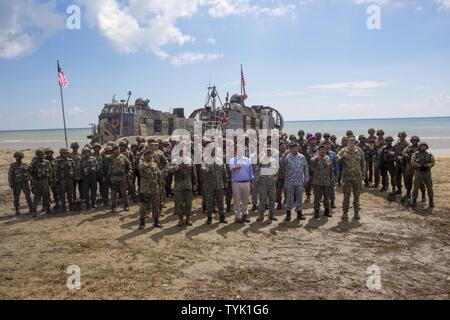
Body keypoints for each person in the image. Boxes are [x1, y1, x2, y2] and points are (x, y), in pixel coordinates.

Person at [337, 137, 365, 221]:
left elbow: (363, 163)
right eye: (350, 142)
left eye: (353, 142)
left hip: (357, 177)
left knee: (357, 196)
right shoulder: (343, 151)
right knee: (346, 196)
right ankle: (345, 212)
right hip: (346, 178)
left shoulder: (359, 151)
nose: (351, 144)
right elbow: (337, 160)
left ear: (355, 143)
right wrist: (341, 157)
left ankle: (356, 212)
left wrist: (363, 175)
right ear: (347, 143)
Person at [170, 147, 198, 227]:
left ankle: (188, 219)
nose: (182, 152)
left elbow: (194, 173)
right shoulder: (174, 161)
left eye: (184, 151)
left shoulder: (190, 160)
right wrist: (175, 168)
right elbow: (170, 170)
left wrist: (195, 184)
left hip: (188, 186)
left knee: (189, 204)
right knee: (179, 204)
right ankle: (180, 219)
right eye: (181, 151)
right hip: (178, 187)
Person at [282, 142, 309, 221]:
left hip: (299, 181)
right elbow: (282, 165)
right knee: (289, 198)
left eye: (296, 148)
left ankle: (299, 214)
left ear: (298, 148)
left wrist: (306, 179)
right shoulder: (287, 157)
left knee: (299, 198)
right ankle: (288, 214)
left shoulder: (302, 157)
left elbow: (305, 168)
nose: (295, 149)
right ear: (290, 149)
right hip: (290, 181)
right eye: (293, 148)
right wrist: (284, 155)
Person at [202, 148, 229, 225]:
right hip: (209, 186)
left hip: (220, 185)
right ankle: (209, 218)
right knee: (209, 202)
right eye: (211, 151)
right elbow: (202, 169)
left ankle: (222, 217)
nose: (213, 152)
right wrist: (205, 170)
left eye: (214, 151)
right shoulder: (205, 161)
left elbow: (224, 171)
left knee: (220, 202)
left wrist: (226, 180)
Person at [138, 150, 162, 230]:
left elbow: (158, 175)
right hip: (145, 190)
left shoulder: (155, 165)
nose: (151, 157)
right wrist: (149, 163)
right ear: (145, 156)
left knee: (155, 206)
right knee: (143, 207)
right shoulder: (142, 164)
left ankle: (156, 221)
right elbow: (142, 169)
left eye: (151, 156)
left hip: (154, 189)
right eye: (148, 156)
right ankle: (142, 223)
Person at [229, 145, 254, 224]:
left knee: (245, 200)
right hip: (236, 183)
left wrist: (251, 180)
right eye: (238, 150)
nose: (240, 151)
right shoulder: (233, 160)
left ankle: (244, 214)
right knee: (237, 200)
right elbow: (230, 168)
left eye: (241, 150)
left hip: (246, 182)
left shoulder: (247, 160)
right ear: (236, 151)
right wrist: (235, 167)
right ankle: (238, 216)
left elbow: (250, 171)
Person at [311, 144, 333, 218]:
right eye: (321, 150)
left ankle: (327, 211)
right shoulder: (315, 157)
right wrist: (315, 160)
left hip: (326, 181)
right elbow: (311, 165)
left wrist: (332, 179)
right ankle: (316, 211)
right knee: (317, 197)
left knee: (327, 197)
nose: (322, 151)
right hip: (317, 182)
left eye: (324, 150)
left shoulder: (328, 158)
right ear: (318, 151)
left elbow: (331, 169)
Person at [256, 147, 279, 222]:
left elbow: (277, 169)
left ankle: (271, 215)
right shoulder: (262, 160)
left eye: (270, 151)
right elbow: (257, 169)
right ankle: (260, 216)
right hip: (263, 183)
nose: (268, 152)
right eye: (267, 151)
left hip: (272, 184)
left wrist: (276, 176)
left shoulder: (275, 161)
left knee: (272, 200)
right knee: (262, 200)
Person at [402, 136, 426, 203]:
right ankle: (408, 193)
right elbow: (403, 153)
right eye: (413, 140)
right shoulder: (409, 147)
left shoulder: (420, 147)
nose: (414, 141)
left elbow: (424, 154)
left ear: (418, 141)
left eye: (415, 140)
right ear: (411, 141)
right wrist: (407, 155)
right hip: (409, 165)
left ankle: (423, 195)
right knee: (408, 179)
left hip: (417, 165)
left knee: (420, 180)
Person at [411, 142, 435, 209]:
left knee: (429, 187)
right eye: (422, 146)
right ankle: (414, 200)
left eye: (425, 146)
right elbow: (412, 162)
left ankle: (431, 201)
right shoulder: (416, 154)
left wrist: (428, 165)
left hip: (427, 173)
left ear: (427, 147)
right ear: (419, 147)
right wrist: (419, 166)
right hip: (418, 173)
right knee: (416, 187)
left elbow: (433, 162)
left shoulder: (429, 154)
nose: (423, 147)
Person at [29, 148, 52, 217]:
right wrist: (32, 180)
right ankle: (34, 211)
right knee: (36, 196)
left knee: (46, 195)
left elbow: (50, 171)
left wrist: (50, 180)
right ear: (36, 155)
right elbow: (28, 172)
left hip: (45, 180)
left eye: (42, 155)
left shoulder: (47, 162)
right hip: (37, 181)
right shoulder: (34, 162)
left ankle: (48, 209)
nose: (40, 156)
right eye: (39, 155)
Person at [8, 151, 33, 215]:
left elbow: (28, 173)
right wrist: (10, 183)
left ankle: (31, 208)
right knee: (16, 197)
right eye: (16, 156)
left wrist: (31, 179)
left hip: (25, 183)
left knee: (28, 196)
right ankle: (17, 209)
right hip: (16, 184)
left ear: (21, 157)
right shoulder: (12, 165)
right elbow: (10, 175)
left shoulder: (25, 165)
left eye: (18, 156)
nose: (17, 157)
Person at [108, 145, 131, 213]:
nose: (116, 151)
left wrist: (129, 171)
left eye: (117, 149)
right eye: (114, 150)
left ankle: (126, 205)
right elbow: (106, 167)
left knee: (124, 193)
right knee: (113, 193)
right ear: (113, 151)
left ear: (119, 150)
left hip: (122, 177)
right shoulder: (110, 158)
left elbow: (128, 164)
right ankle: (113, 207)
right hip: (113, 178)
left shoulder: (123, 157)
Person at [324, 140, 339, 209]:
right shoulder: (320, 153)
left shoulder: (333, 154)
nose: (327, 146)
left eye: (328, 144)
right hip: (322, 175)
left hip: (331, 174)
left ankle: (332, 202)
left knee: (332, 189)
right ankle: (326, 202)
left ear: (330, 145)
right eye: (326, 144)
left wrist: (337, 174)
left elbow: (336, 165)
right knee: (324, 190)